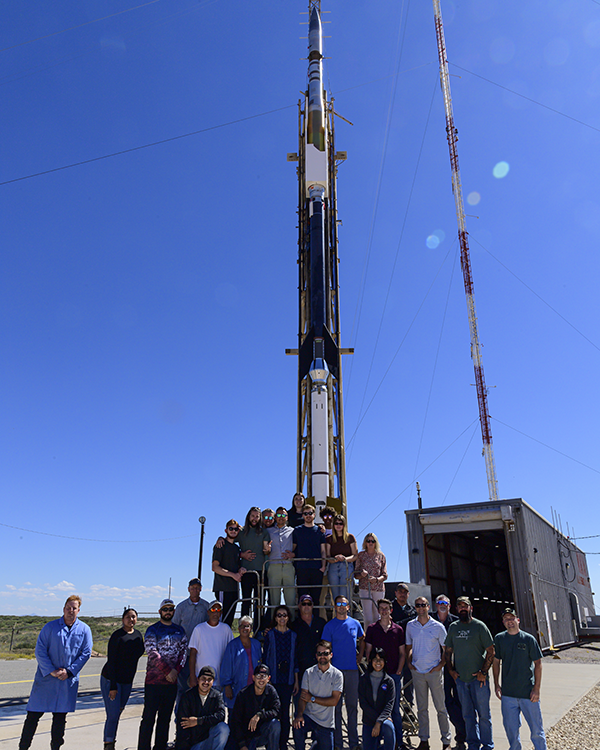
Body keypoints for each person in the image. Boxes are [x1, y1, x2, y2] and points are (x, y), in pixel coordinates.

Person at [19, 594, 93, 750]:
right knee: (33, 716)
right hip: (46, 679)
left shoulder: (84, 630)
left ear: (78, 610)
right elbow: (40, 650)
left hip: (66, 681)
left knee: (59, 718)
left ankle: (56, 747)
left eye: (74, 608)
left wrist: (70, 671)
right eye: (68, 608)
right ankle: (23, 747)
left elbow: (86, 653)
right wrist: (51, 671)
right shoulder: (50, 627)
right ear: (63, 609)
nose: (70, 611)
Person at [492, 607, 547, 750]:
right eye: (506, 619)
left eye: (512, 618)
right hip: (508, 695)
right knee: (511, 730)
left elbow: (538, 664)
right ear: (503, 622)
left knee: (537, 731)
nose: (510, 622)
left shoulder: (528, 639)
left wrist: (537, 689)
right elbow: (496, 661)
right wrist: (496, 685)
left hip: (528, 694)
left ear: (518, 620)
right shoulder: (499, 639)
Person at [444, 597, 494, 750]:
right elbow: (448, 651)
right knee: (468, 716)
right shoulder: (453, 627)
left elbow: (491, 651)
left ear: (471, 608)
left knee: (484, 716)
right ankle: (473, 744)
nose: (462, 609)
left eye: (465, 606)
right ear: (457, 609)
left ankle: (487, 745)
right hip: (461, 680)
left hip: (478, 681)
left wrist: (483, 672)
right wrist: (451, 670)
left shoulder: (479, 626)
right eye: (460, 606)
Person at [138, 599, 188, 750]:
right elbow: (152, 652)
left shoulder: (180, 631)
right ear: (160, 612)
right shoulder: (152, 630)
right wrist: (168, 671)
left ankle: (160, 747)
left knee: (164, 719)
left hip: (171, 684)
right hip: (153, 683)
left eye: (171, 609)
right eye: (165, 609)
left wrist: (176, 671)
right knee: (148, 719)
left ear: (174, 612)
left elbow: (184, 652)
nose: (168, 612)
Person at [405, 596, 451, 750]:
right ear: (415, 607)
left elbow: (446, 649)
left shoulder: (437, 626)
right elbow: (408, 646)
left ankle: (446, 741)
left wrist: (441, 665)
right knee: (422, 708)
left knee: (440, 708)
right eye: (418, 605)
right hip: (418, 672)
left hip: (434, 672)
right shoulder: (411, 626)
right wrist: (410, 662)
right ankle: (424, 740)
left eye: (423, 605)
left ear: (428, 606)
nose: (421, 608)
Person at [322, 595, 364, 750]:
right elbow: (325, 648)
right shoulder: (330, 626)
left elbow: (363, 638)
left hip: (352, 671)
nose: (341, 606)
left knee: (352, 707)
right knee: (336, 709)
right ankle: (338, 744)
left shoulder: (355, 623)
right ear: (335, 607)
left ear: (348, 607)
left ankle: (353, 743)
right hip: (336, 673)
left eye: (344, 604)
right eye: (338, 604)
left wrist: (360, 655)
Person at [364, 598, 407, 750]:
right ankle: (376, 742)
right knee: (375, 709)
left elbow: (403, 653)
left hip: (393, 675)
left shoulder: (398, 629)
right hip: (376, 676)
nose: (383, 611)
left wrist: (399, 670)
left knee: (394, 709)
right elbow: (368, 652)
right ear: (378, 610)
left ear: (391, 610)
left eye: (386, 608)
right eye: (381, 608)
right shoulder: (372, 629)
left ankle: (398, 743)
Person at [101, 607, 145, 750]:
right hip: (111, 680)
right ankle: (108, 744)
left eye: (133, 617)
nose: (131, 619)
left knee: (118, 712)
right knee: (113, 715)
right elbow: (112, 661)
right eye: (128, 617)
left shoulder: (138, 635)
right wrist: (113, 686)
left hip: (127, 681)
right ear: (122, 619)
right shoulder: (117, 636)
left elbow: (139, 653)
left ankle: (112, 738)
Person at [292, 640, 343, 750]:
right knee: (297, 726)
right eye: (319, 654)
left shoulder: (337, 675)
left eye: (325, 653)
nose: (322, 656)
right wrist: (300, 714)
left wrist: (313, 698)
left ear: (331, 655)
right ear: (316, 656)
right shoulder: (308, 672)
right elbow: (303, 698)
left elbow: (334, 701)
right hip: (309, 717)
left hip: (326, 723)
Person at [431, 595, 466, 750]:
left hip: (453, 667)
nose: (442, 605)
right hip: (435, 667)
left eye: (445, 603)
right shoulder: (429, 619)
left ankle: (460, 737)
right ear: (436, 605)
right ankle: (451, 736)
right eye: (440, 603)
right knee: (444, 702)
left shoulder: (456, 622)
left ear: (450, 606)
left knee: (458, 701)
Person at [263, 605, 299, 750]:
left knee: (285, 714)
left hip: (288, 680)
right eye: (279, 615)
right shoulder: (270, 635)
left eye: (284, 615)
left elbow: (295, 659)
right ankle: (271, 743)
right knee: (272, 712)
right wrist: (266, 679)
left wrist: (296, 680)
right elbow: (265, 657)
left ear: (288, 617)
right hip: (273, 680)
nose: (282, 618)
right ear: (275, 618)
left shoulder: (293, 635)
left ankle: (283, 743)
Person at [174, 578, 210, 709]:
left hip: (201, 655)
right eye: (192, 587)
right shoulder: (181, 607)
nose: (195, 590)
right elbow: (174, 628)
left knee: (200, 688)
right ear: (188, 589)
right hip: (184, 655)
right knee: (183, 689)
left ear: (201, 589)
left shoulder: (206, 606)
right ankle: (179, 719)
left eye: (197, 587)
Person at [175, 665, 229, 750]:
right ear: (198, 679)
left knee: (223, 728)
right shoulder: (187, 696)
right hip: (193, 744)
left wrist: (198, 721)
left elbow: (221, 716)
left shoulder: (216, 695)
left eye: (209, 680)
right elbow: (182, 725)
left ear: (213, 682)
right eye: (203, 678)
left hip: (208, 741)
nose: (206, 682)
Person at [230, 663, 281, 750]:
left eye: (264, 676)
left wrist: (260, 715)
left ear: (268, 678)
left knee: (275, 724)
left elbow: (277, 711)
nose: (261, 679)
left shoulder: (271, 691)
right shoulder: (243, 694)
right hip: (246, 736)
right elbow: (236, 721)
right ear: (253, 678)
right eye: (258, 676)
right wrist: (242, 744)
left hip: (262, 733)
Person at [189, 601, 233, 691]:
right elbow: (193, 654)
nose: (216, 612)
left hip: (220, 681)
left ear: (221, 613)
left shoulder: (226, 629)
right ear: (208, 612)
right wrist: (193, 676)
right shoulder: (199, 629)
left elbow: (231, 654)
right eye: (213, 609)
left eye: (218, 610)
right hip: (202, 680)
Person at [358, 648, 396, 750]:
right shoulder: (363, 679)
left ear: (385, 661)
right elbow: (363, 703)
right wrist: (376, 722)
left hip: (383, 720)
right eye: (375, 659)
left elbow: (389, 705)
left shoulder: (389, 681)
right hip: (369, 721)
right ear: (370, 661)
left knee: (389, 727)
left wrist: (379, 722)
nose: (378, 662)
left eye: (381, 659)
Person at [221, 616, 263, 709]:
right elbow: (226, 667)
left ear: (251, 628)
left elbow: (260, 664)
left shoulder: (256, 644)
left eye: (247, 626)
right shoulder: (232, 645)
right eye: (242, 626)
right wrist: (227, 686)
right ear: (238, 628)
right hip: (237, 688)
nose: (245, 628)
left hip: (253, 688)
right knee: (236, 718)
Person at [238, 507, 272, 623]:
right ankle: (244, 626)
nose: (255, 519)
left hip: (260, 572)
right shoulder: (241, 532)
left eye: (257, 516)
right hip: (246, 572)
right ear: (248, 517)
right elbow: (230, 544)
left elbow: (266, 549)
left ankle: (258, 629)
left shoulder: (264, 532)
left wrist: (267, 550)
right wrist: (241, 554)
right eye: (253, 516)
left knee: (260, 602)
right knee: (246, 601)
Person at [212, 519, 246, 626]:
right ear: (226, 530)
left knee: (229, 621)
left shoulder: (236, 548)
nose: (233, 531)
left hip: (234, 589)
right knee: (222, 620)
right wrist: (233, 575)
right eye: (231, 529)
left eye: (236, 529)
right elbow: (215, 567)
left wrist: (241, 570)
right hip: (223, 588)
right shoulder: (220, 545)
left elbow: (236, 566)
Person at [292, 505, 327, 607]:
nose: (308, 516)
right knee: (302, 598)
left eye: (310, 513)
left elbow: (323, 551)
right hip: (302, 568)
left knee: (316, 599)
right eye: (305, 513)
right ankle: (302, 622)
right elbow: (293, 547)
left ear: (314, 515)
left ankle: (315, 621)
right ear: (302, 515)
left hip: (316, 568)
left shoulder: (319, 531)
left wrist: (323, 566)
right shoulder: (297, 531)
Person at [291, 595, 327, 690]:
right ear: (299, 606)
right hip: (301, 669)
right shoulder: (293, 626)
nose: (306, 606)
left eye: (309, 604)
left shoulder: (321, 623)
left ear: (312, 606)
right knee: (301, 702)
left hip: (319, 668)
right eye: (303, 604)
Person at [391, 583, 417, 710]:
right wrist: (406, 621)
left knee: (408, 680)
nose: (402, 594)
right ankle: (391, 709)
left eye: (405, 592)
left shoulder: (412, 610)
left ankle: (408, 709)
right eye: (400, 591)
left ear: (408, 594)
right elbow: (391, 625)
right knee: (393, 680)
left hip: (408, 650)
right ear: (395, 593)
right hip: (393, 650)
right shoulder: (390, 608)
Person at [354, 533, 387, 628]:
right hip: (365, 588)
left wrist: (376, 580)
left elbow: (385, 574)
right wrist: (361, 574)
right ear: (365, 543)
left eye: (373, 541)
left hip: (378, 588)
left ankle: (379, 638)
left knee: (378, 616)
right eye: (368, 541)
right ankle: (368, 639)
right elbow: (356, 574)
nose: (370, 543)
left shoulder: (381, 556)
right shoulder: (361, 555)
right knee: (367, 617)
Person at [325, 515, 358, 604]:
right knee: (335, 596)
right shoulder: (329, 539)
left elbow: (355, 555)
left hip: (346, 567)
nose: (338, 525)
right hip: (333, 567)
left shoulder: (350, 537)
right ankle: (337, 616)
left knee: (345, 595)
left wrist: (344, 559)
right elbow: (327, 556)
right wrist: (334, 559)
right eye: (336, 523)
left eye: (341, 523)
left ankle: (347, 615)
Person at [267, 507, 296, 608]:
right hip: (274, 566)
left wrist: (293, 554)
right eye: (279, 515)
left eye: (283, 515)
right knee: (274, 599)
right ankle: (274, 622)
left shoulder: (293, 531)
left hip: (288, 566)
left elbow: (299, 547)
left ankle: (291, 622)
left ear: (287, 517)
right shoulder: (268, 531)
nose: (281, 517)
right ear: (275, 517)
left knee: (290, 598)